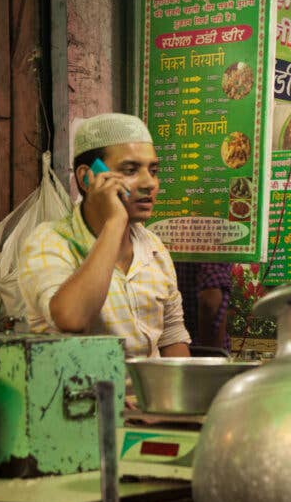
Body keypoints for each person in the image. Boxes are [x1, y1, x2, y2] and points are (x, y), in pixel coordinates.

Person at [18, 113, 190, 358]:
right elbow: (71, 318)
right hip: (80, 393)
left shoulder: (153, 248)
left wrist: (181, 393)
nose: (149, 183)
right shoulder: (50, 241)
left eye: (153, 170)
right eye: (130, 170)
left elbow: (172, 335)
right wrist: (115, 222)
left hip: (146, 395)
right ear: (87, 178)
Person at [176, 261, 232, 353]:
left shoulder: (172, 248)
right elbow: (210, 301)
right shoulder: (212, 249)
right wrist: (210, 356)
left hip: (173, 350)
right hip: (200, 355)